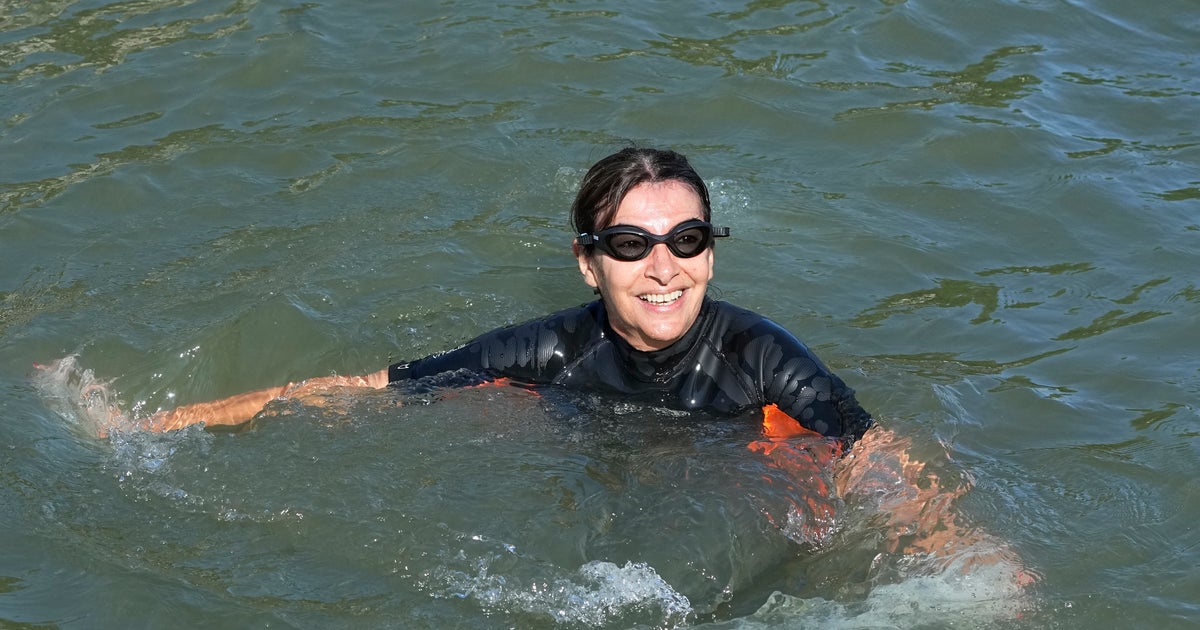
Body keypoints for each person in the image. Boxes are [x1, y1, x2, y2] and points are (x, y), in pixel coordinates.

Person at [141, 147, 875, 445]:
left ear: (709, 255)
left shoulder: (763, 359)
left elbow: (878, 458)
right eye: (629, 244)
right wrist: (151, 426)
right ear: (588, 264)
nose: (663, 267)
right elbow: (356, 390)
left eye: (686, 240)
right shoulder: (549, 350)